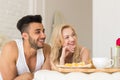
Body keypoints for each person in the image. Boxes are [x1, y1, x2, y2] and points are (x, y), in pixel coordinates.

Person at [0, 15, 51, 80]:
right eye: (38, 32)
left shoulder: (47, 49)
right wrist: (28, 77)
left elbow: (45, 77)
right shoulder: (10, 49)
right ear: (25, 36)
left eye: (43, 31)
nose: (43, 35)